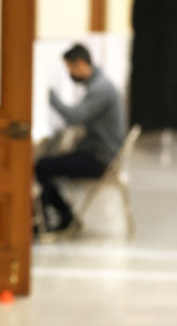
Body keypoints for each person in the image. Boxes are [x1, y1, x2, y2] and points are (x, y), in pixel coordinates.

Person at [35, 44, 125, 233]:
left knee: (41, 166)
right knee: (49, 162)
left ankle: (54, 222)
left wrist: (48, 94)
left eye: (71, 68)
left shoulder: (101, 89)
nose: (70, 74)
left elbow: (75, 117)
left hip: (101, 160)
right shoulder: (99, 84)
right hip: (100, 154)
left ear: (82, 64)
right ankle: (63, 217)